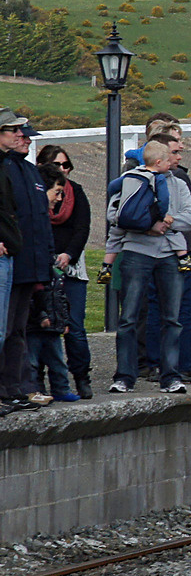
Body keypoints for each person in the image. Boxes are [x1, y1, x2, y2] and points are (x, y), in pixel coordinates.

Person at [104, 139, 191, 394]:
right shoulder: (131, 180)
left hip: (168, 255)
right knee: (129, 317)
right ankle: (124, 375)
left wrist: (167, 222)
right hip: (136, 252)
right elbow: (115, 214)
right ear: (159, 160)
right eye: (173, 154)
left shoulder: (178, 184)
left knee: (172, 318)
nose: (177, 159)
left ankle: (170, 376)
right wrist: (147, 224)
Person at [0, 111, 53, 411]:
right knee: (4, 329)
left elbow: (40, 220)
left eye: (27, 135)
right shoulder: (5, 168)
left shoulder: (31, 172)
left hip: (29, 263)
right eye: (21, 134)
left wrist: (44, 262)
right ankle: (7, 387)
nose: (26, 140)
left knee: (18, 329)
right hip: (11, 259)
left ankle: (15, 386)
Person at [39, 144, 93, 398]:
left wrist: (68, 255)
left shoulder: (77, 193)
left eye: (66, 165)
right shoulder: (37, 196)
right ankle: (38, 380)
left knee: (75, 325)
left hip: (71, 267)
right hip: (43, 266)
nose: (63, 170)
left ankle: (81, 376)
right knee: (40, 325)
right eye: (57, 165)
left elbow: (82, 227)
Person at [25, 167, 76, 403]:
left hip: (52, 310)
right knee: (32, 357)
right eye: (56, 192)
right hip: (36, 314)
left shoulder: (44, 222)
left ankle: (59, 388)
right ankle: (32, 389)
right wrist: (43, 312)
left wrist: (61, 318)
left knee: (57, 357)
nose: (60, 198)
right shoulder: (34, 222)